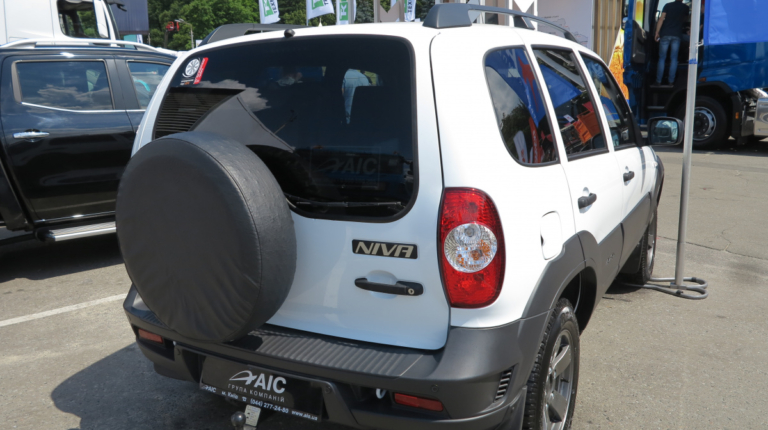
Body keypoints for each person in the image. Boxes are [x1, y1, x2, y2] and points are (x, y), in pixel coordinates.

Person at [655, 0, 690, 85]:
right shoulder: (685, 7)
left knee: (662, 58)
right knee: (674, 58)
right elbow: (686, 19)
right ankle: (671, 81)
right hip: (677, 35)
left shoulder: (667, 5)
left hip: (665, 34)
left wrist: (657, 32)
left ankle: (658, 81)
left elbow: (661, 19)